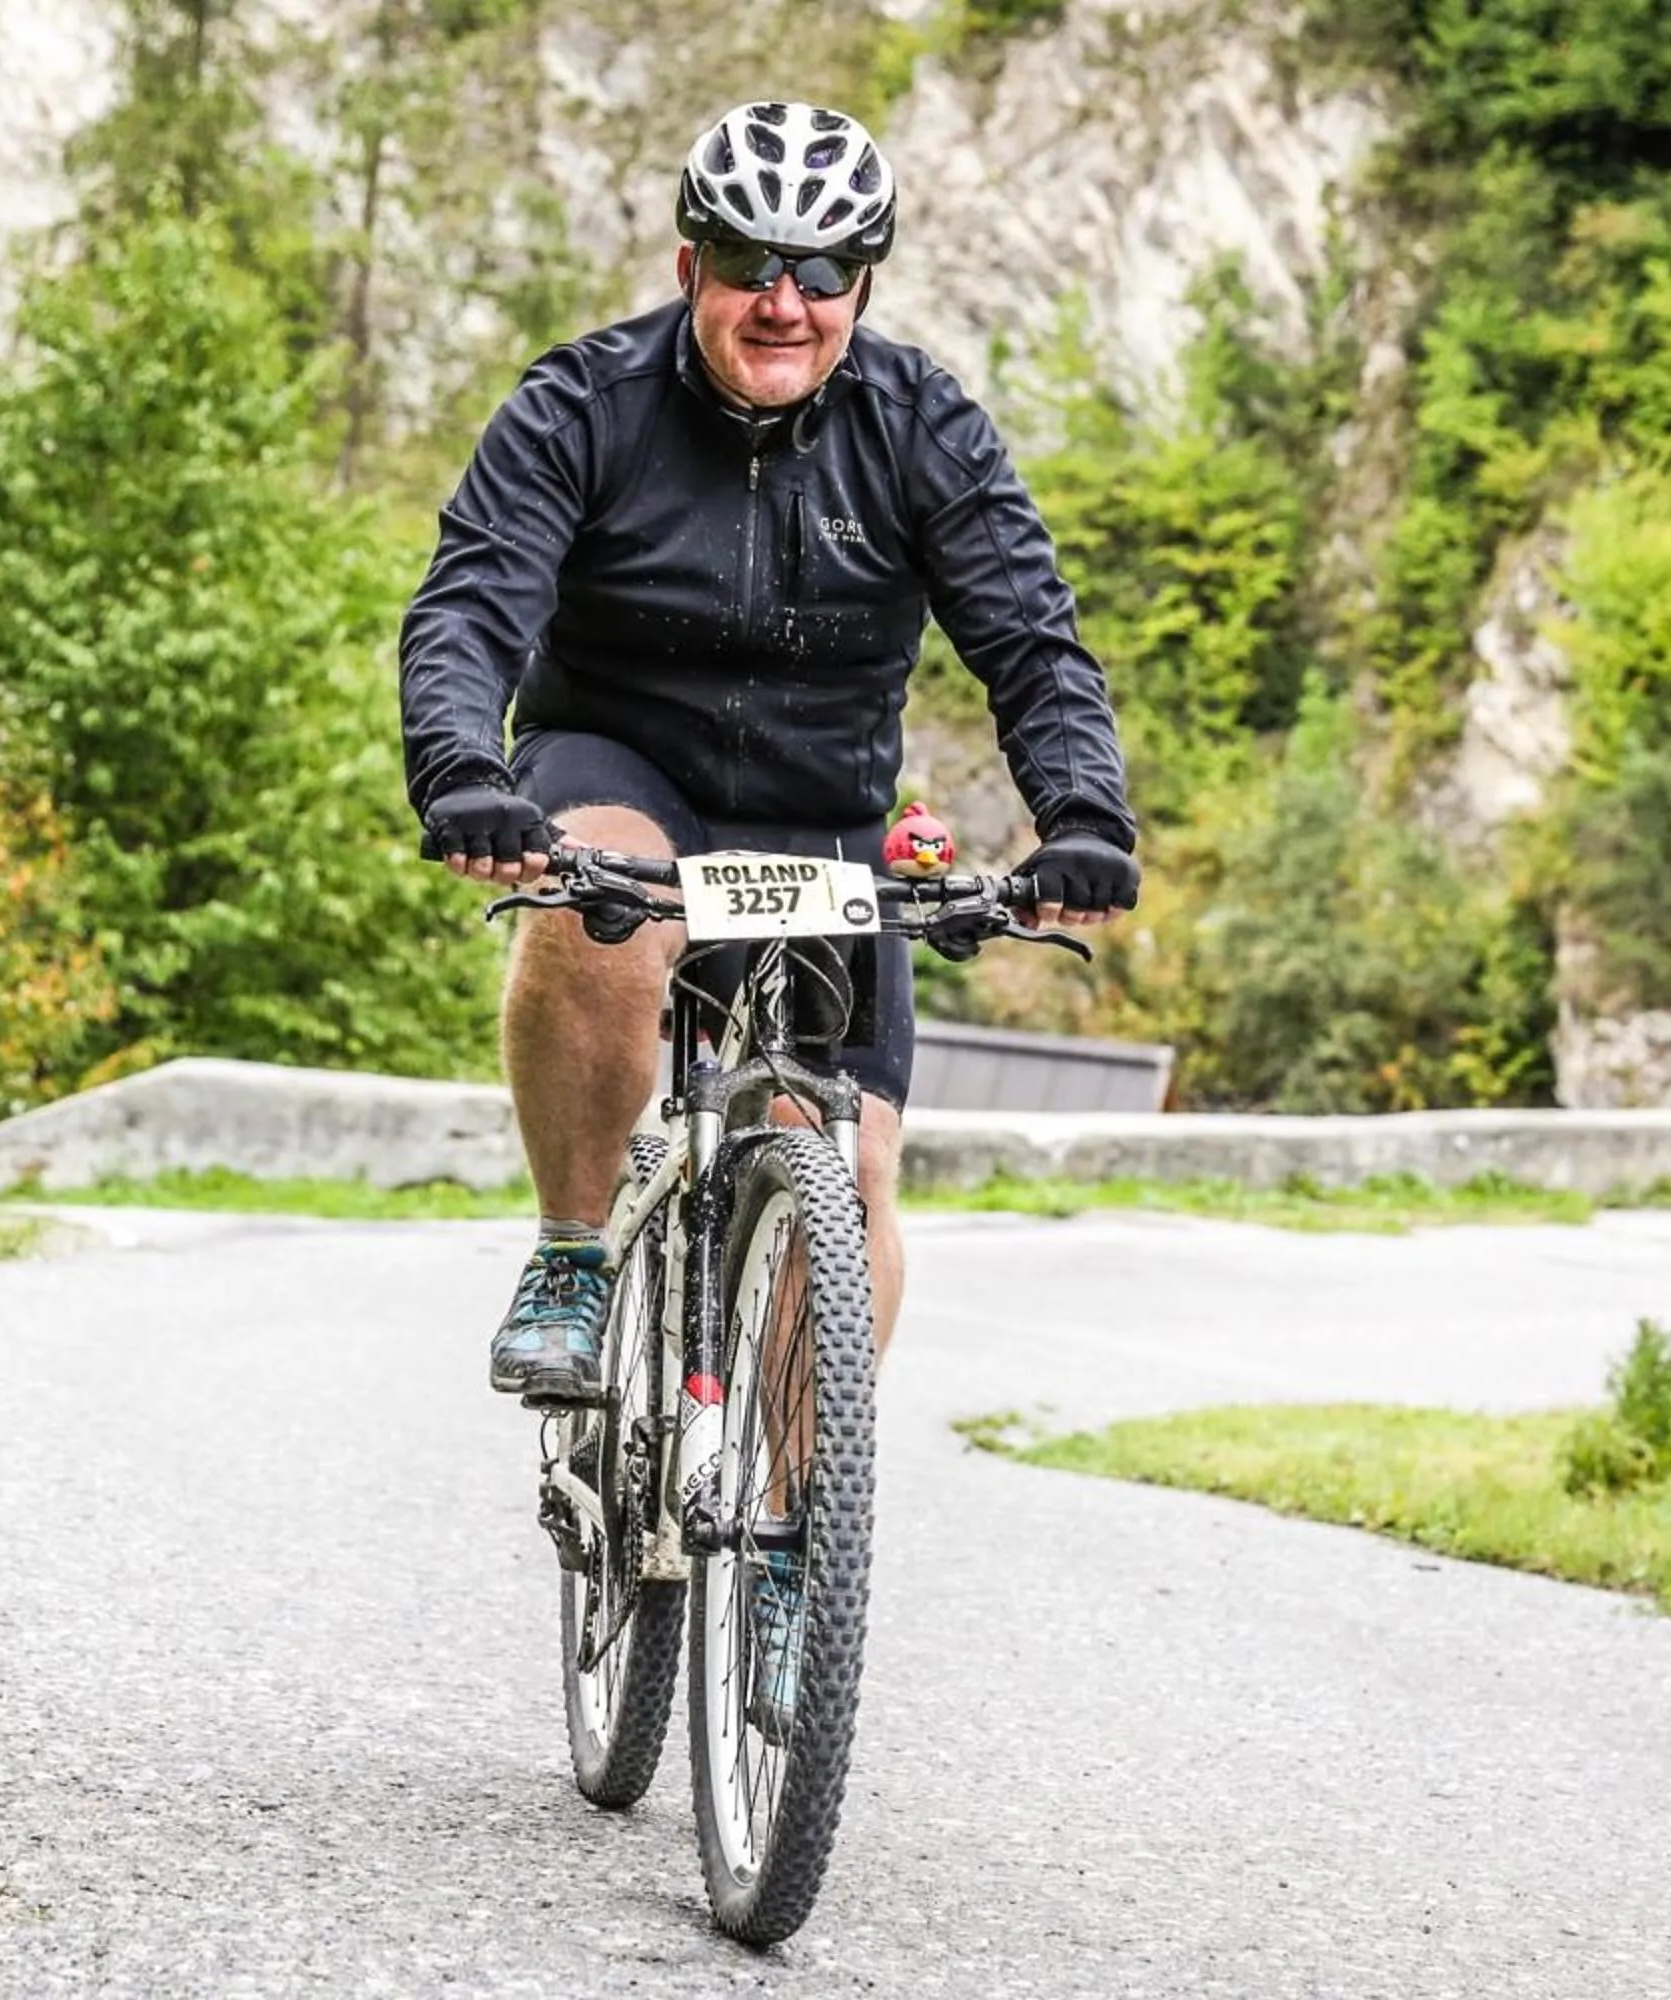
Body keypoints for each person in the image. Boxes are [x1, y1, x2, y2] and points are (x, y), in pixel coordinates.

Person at [397, 99, 1141, 1411]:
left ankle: (796, 1549)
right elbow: (473, 602)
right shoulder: (583, 405)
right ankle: (571, 1253)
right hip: (622, 769)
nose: (784, 302)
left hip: (825, 824)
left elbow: (1033, 642)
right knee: (597, 907)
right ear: (693, 266)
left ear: (865, 284)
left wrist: (1081, 816)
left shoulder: (925, 429)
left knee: (849, 1183)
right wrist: (465, 774)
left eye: (824, 272)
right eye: (750, 265)